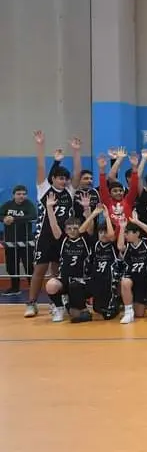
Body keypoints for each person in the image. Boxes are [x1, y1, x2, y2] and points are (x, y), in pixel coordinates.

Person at [27, 131, 82, 318]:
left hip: (63, 237)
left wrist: (76, 151)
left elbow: (77, 173)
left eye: (65, 179)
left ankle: (55, 303)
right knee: (39, 270)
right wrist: (40, 145)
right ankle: (32, 303)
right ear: (53, 179)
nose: (64, 181)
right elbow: (40, 166)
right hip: (44, 236)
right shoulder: (43, 189)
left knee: (58, 271)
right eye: (60, 178)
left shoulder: (69, 192)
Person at [41, 193, 96, 322]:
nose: (72, 231)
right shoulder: (62, 240)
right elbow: (53, 225)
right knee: (51, 285)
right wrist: (49, 208)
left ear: (80, 229)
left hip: (81, 282)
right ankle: (59, 308)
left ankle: (80, 305)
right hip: (65, 280)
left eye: (75, 228)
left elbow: (90, 226)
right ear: (65, 230)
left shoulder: (85, 239)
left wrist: (87, 208)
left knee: (75, 315)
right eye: (69, 228)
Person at [1, 185, 37, 297]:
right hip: (10, 241)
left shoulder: (29, 204)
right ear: (14, 195)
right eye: (19, 194)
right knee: (11, 266)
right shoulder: (8, 205)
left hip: (26, 241)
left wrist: (14, 219)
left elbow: (33, 215)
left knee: (29, 265)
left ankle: (33, 287)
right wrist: (4, 219)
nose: (21, 196)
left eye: (24, 194)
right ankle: (15, 288)